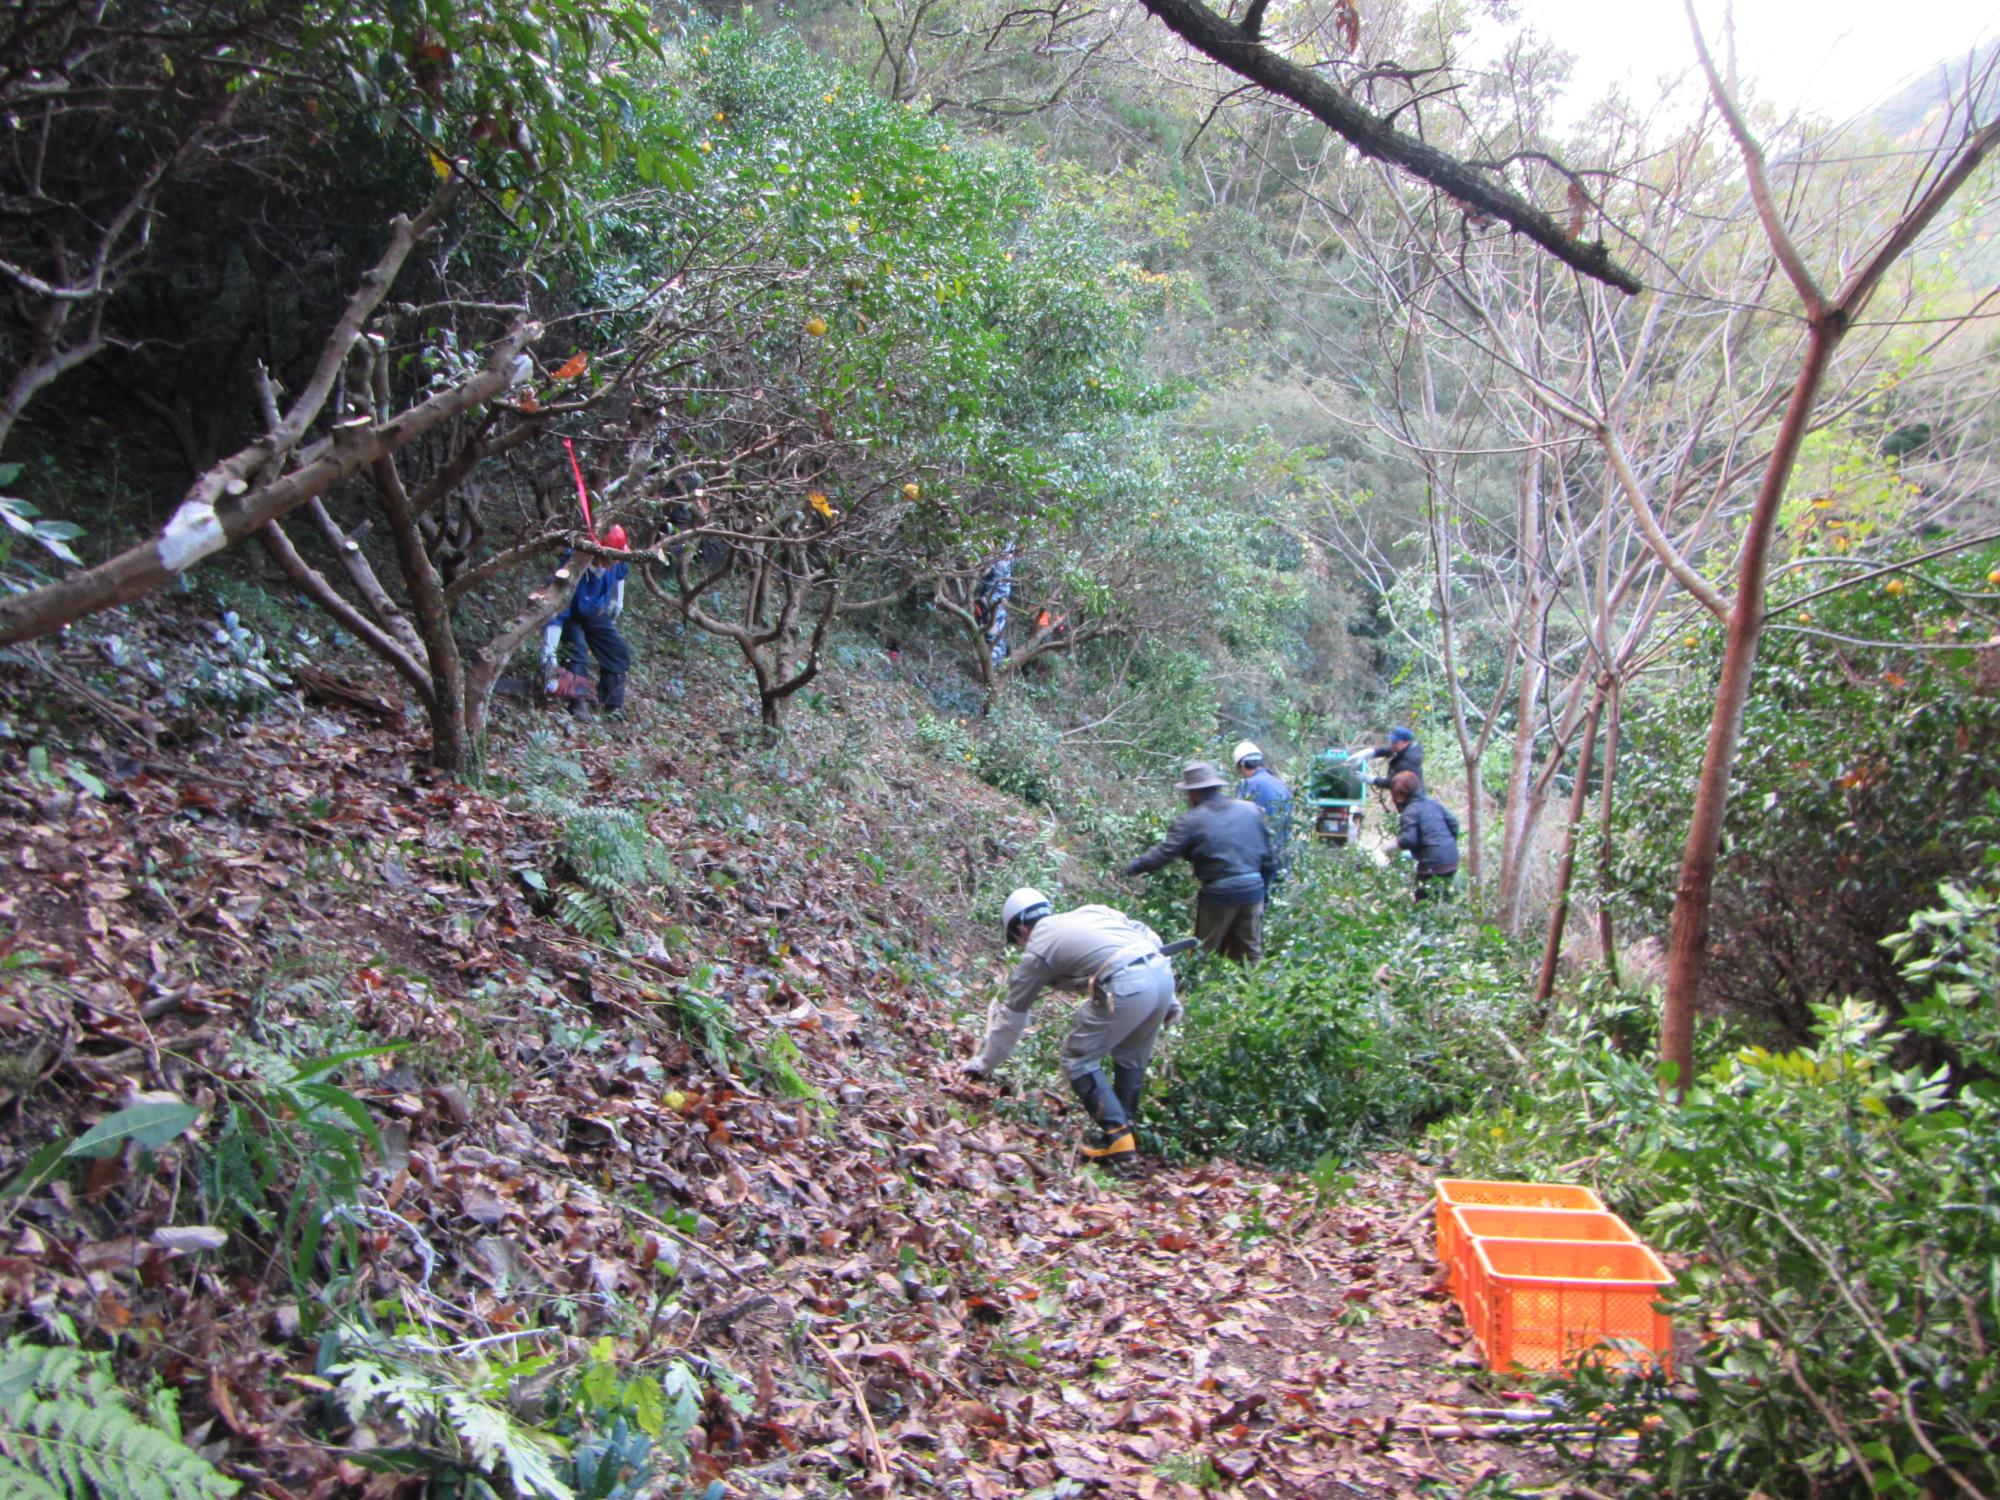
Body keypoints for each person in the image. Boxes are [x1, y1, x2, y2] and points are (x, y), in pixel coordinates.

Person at [959, 888, 1180, 1175]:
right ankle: (1122, 1138)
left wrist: (983, 1064)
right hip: (1162, 974)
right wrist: (1170, 998)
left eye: (1016, 942)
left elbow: (1012, 1017)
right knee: (1131, 1058)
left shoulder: (1037, 950)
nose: (1020, 947)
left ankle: (1118, 1136)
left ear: (1022, 930)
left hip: (1126, 983)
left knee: (1078, 1059)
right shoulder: (1091, 912)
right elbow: (1144, 933)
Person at [1123, 761, 1275, 962]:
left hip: (1220, 894)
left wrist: (1132, 867)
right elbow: (1270, 856)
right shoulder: (1250, 810)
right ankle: (1257, 990)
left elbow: (1163, 854)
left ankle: (1189, 988)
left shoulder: (1191, 820)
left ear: (1193, 793)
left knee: (1202, 952)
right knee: (1251, 953)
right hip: (1253, 890)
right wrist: (1265, 891)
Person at [543, 525, 632, 714]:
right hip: (572, 615)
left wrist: (618, 601)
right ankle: (578, 701)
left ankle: (611, 704)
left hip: (596, 613)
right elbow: (557, 611)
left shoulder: (617, 563)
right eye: (610, 558)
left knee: (617, 651)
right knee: (578, 651)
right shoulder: (573, 566)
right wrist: (548, 653)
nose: (613, 562)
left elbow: (621, 573)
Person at [1390, 770, 1460, 899]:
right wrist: (1446, 845)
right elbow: (1454, 825)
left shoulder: (1410, 811)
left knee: (1423, 902)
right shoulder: (1433, 804)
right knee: (1444, 896)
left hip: (1432, 865)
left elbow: (1408, 840)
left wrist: (1389, 847)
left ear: (1400, 795)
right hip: (1452, 860)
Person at [1231, 739, 1293, 886]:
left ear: (1241, 765)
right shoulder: (1279, 784)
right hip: (1282, 854)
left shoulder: (1248, 785)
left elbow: (1238, 823)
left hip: (1259, 859)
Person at [1370, 726, 1424, 790]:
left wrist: (1371, 779)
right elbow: (1388, 750)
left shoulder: (1408, 762)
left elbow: (1390, 782)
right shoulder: (1407, 749)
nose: (1392, 744)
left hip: (1410, 797)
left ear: (1406, 743)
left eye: (1395, 742)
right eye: (1392, 741)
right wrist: (1371, 752)